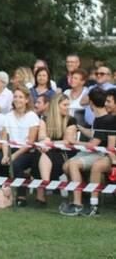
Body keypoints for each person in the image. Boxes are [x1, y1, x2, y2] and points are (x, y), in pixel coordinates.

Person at [61, 87, 116, 216]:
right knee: (66, 166)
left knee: (76, 165)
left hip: (104, 154)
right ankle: (81, 198)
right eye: (105, 101)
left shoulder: (108, 120)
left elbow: (97, 144)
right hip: (104, 154)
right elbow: (95, 134)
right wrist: (80, 128)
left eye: (108, 101)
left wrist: (74, 142)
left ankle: (81, 204)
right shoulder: (103, 119)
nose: (105, 103)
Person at [33, 94, 77, 206]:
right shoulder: (45, 119)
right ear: (56, 106)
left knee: (44, 154)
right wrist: (45, 140)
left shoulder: (71, 120)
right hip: (47, 150)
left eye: (68, 105)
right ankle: (46, 184)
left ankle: (42, 192)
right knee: (40, 155)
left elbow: (68, 141)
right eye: (65, 105)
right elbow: (41, 137)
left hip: (63, 153)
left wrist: (50, 143)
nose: (67, 107)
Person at [1, 86, 40, 207]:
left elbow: (30, 142)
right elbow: (4, 139)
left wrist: (13, 156)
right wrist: (5, 155)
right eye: (16, 96)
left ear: (27, 100)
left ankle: (21, 196)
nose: (17, 99)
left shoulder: (32, 116)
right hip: (9, 149)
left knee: (16, 164)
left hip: (27, 151)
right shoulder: (7, 116)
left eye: (21, 97)